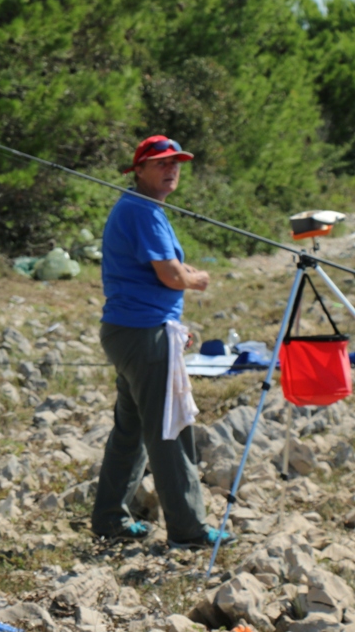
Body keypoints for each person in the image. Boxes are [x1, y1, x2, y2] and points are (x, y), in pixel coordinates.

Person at [90, 135, 235, 549]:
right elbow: (171, 275)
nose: (171, 169)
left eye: (176, 163)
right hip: (144, 335)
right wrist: (196, 279)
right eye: (161, 163)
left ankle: (110, 519)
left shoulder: (141, 208)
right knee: (171, 430)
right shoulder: (142, 210)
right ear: (138, 170)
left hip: (130, 332)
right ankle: (188, 529)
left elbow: (162, 272)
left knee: (132, 430)